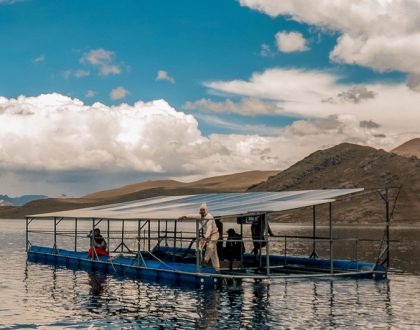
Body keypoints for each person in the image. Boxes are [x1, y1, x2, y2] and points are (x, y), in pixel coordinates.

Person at [179, 202, 220, 271]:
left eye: (203, 210)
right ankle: (217, 269)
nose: (201, 211)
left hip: (214, 234)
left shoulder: (209, 217)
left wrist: (205, 237)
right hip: (207, 235)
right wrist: (184, 216)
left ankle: (205, 261)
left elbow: (209, 228)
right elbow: (192, 216)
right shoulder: (200, 216)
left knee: (210, 247)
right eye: (201, 210)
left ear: (206, 210)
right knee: (213, 253)